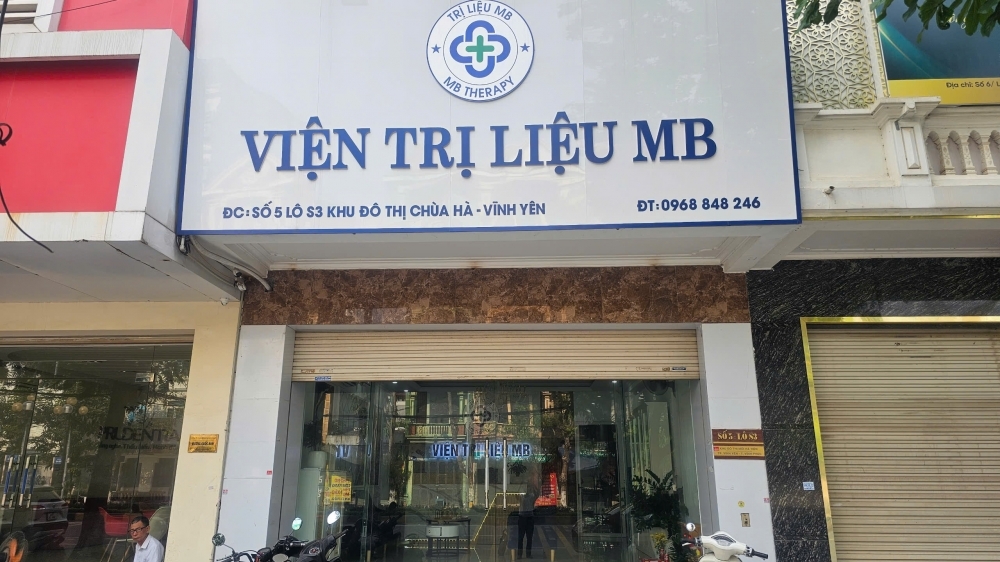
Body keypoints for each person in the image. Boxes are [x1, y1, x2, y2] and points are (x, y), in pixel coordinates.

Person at [517, 477, 540, 559]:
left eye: (527, 487)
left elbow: (537, 494)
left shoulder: (531, 496)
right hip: (522, 517)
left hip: (529, 517)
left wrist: (533, 486)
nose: (526, 489)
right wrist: (520, 485)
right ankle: (519, 554)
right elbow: (517, 495)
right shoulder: (521, 496)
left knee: (529, 537)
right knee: (520, 537)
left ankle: (528, 554)